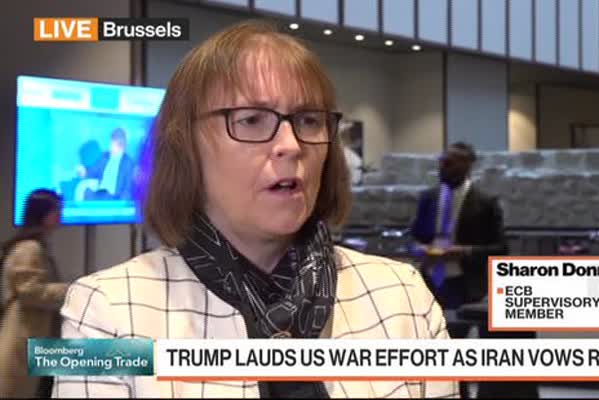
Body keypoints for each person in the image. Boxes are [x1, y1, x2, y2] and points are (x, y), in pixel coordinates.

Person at [54, 21, 457, 399]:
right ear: (184, 146)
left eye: (308, 120)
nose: (291, 145)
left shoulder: (403, 295)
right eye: (251, 120)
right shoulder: (106, 309)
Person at [410, 142, 507, 308]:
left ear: (466, 165)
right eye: (441, 161)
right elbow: (415, 236)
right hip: (428, 279)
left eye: (448, 163)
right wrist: (420, 249)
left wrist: (463, 251)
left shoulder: (486, 203)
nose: (441, 167)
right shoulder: (428, 198)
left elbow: (501, 248)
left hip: (465, 283)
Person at [0, 189, 68, 398]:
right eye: (57, 210)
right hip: (22, 337)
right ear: (43, 214)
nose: (60, 215)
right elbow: (29, 291)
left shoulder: (36, 247)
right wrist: (70, 290)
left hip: (32, 338)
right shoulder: (29, 249)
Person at [77, 128, 136, 200]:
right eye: (111, 143)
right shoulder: (105, 156)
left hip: (115, 198)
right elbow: (94, 171)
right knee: (87, 192)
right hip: (100, 194)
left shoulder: (128, 163)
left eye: (112, 144)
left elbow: (127, 189)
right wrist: (85, 172)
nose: (110, 147)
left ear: (121, 146)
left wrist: (121, 205)